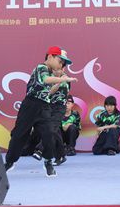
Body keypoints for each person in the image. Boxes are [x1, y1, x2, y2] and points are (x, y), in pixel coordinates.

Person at [4, 47, 75, 177]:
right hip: (30, 105)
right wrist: (63, 79)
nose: (61, 65)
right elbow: (45, 80)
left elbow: (49, 91)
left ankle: (48, 161)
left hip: (44, 106)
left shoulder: (51, 73)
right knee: (19, 134)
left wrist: (59, 81)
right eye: (60, 61)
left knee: (49, 132)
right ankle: (9, 162)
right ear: (50, 57)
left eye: (63, 64)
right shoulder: (41, 68)